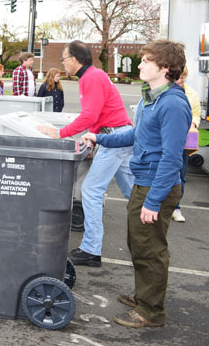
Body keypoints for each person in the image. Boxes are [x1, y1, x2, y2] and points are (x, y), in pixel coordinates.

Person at [81, 39, 190, 328]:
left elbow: (171, 158)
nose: (139, 64)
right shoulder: (151, 98)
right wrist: (99, 138)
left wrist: (153, 201)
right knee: (139, 245)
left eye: (145, 60)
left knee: (151, 250)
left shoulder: (173, 104)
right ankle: (144, 296)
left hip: (156, 186)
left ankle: (151, 311)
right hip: (145, 183)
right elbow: (134, 136)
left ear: (164, 67)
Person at [37, 40, 135, 267]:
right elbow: (97, 114)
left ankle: (91, 250)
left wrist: (59, 133)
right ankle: (150, 235)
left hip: (115, 139)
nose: (62, 63)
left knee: (91, 190)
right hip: (118, 135)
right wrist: (91, 141)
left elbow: (90, 115)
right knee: (134, 193)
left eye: (63, 59)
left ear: (73, 60)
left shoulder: (91, 78)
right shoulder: (92, 76)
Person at [173, 66, 200, 222]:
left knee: (181, 175)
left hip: (184, 140)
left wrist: (193, 124)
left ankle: (176, 207)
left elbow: (196, 114)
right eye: (178, 77)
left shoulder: (192, 93)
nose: (180, 80)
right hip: (168, 139)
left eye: (183, 77)